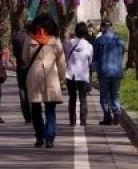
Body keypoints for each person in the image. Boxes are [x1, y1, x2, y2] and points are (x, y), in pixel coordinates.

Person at [23, 13, 66, 149]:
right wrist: (62, 79)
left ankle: (39, 137)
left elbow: (25, 58)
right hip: (50, 75)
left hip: (34, 74)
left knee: (35, 109)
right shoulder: (55, 40)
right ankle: (50, 138)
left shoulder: (29, 38)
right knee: (50, 109)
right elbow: (61, 62)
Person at [93, 19, 126, 125]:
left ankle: (107, 117)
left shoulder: (99, 41)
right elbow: (122, 54)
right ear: (111, 27)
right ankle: (116, 110)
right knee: (115, 94)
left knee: (104, 96)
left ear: (102, 28)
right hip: (117, 71)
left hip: (104, 71)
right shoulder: (120, 41)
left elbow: (95, 57)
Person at [64, 22, 94, 126]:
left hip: (70, 74)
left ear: (76, 31)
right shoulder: (89, 46)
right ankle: (83, 120)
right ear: (86, 32)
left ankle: (72, 120)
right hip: (83, 75)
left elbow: (66, 56)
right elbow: (90, 60)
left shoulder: (68, 43)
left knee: (72, 98)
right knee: (83, 98)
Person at [12, 21, 32, 122]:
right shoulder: (31, 37)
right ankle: (32, 112)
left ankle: (26, 115)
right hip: (30, 66)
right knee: (31, 90)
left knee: (22, 89)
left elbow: (15, 52)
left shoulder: (17, 36)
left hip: (20, 66)